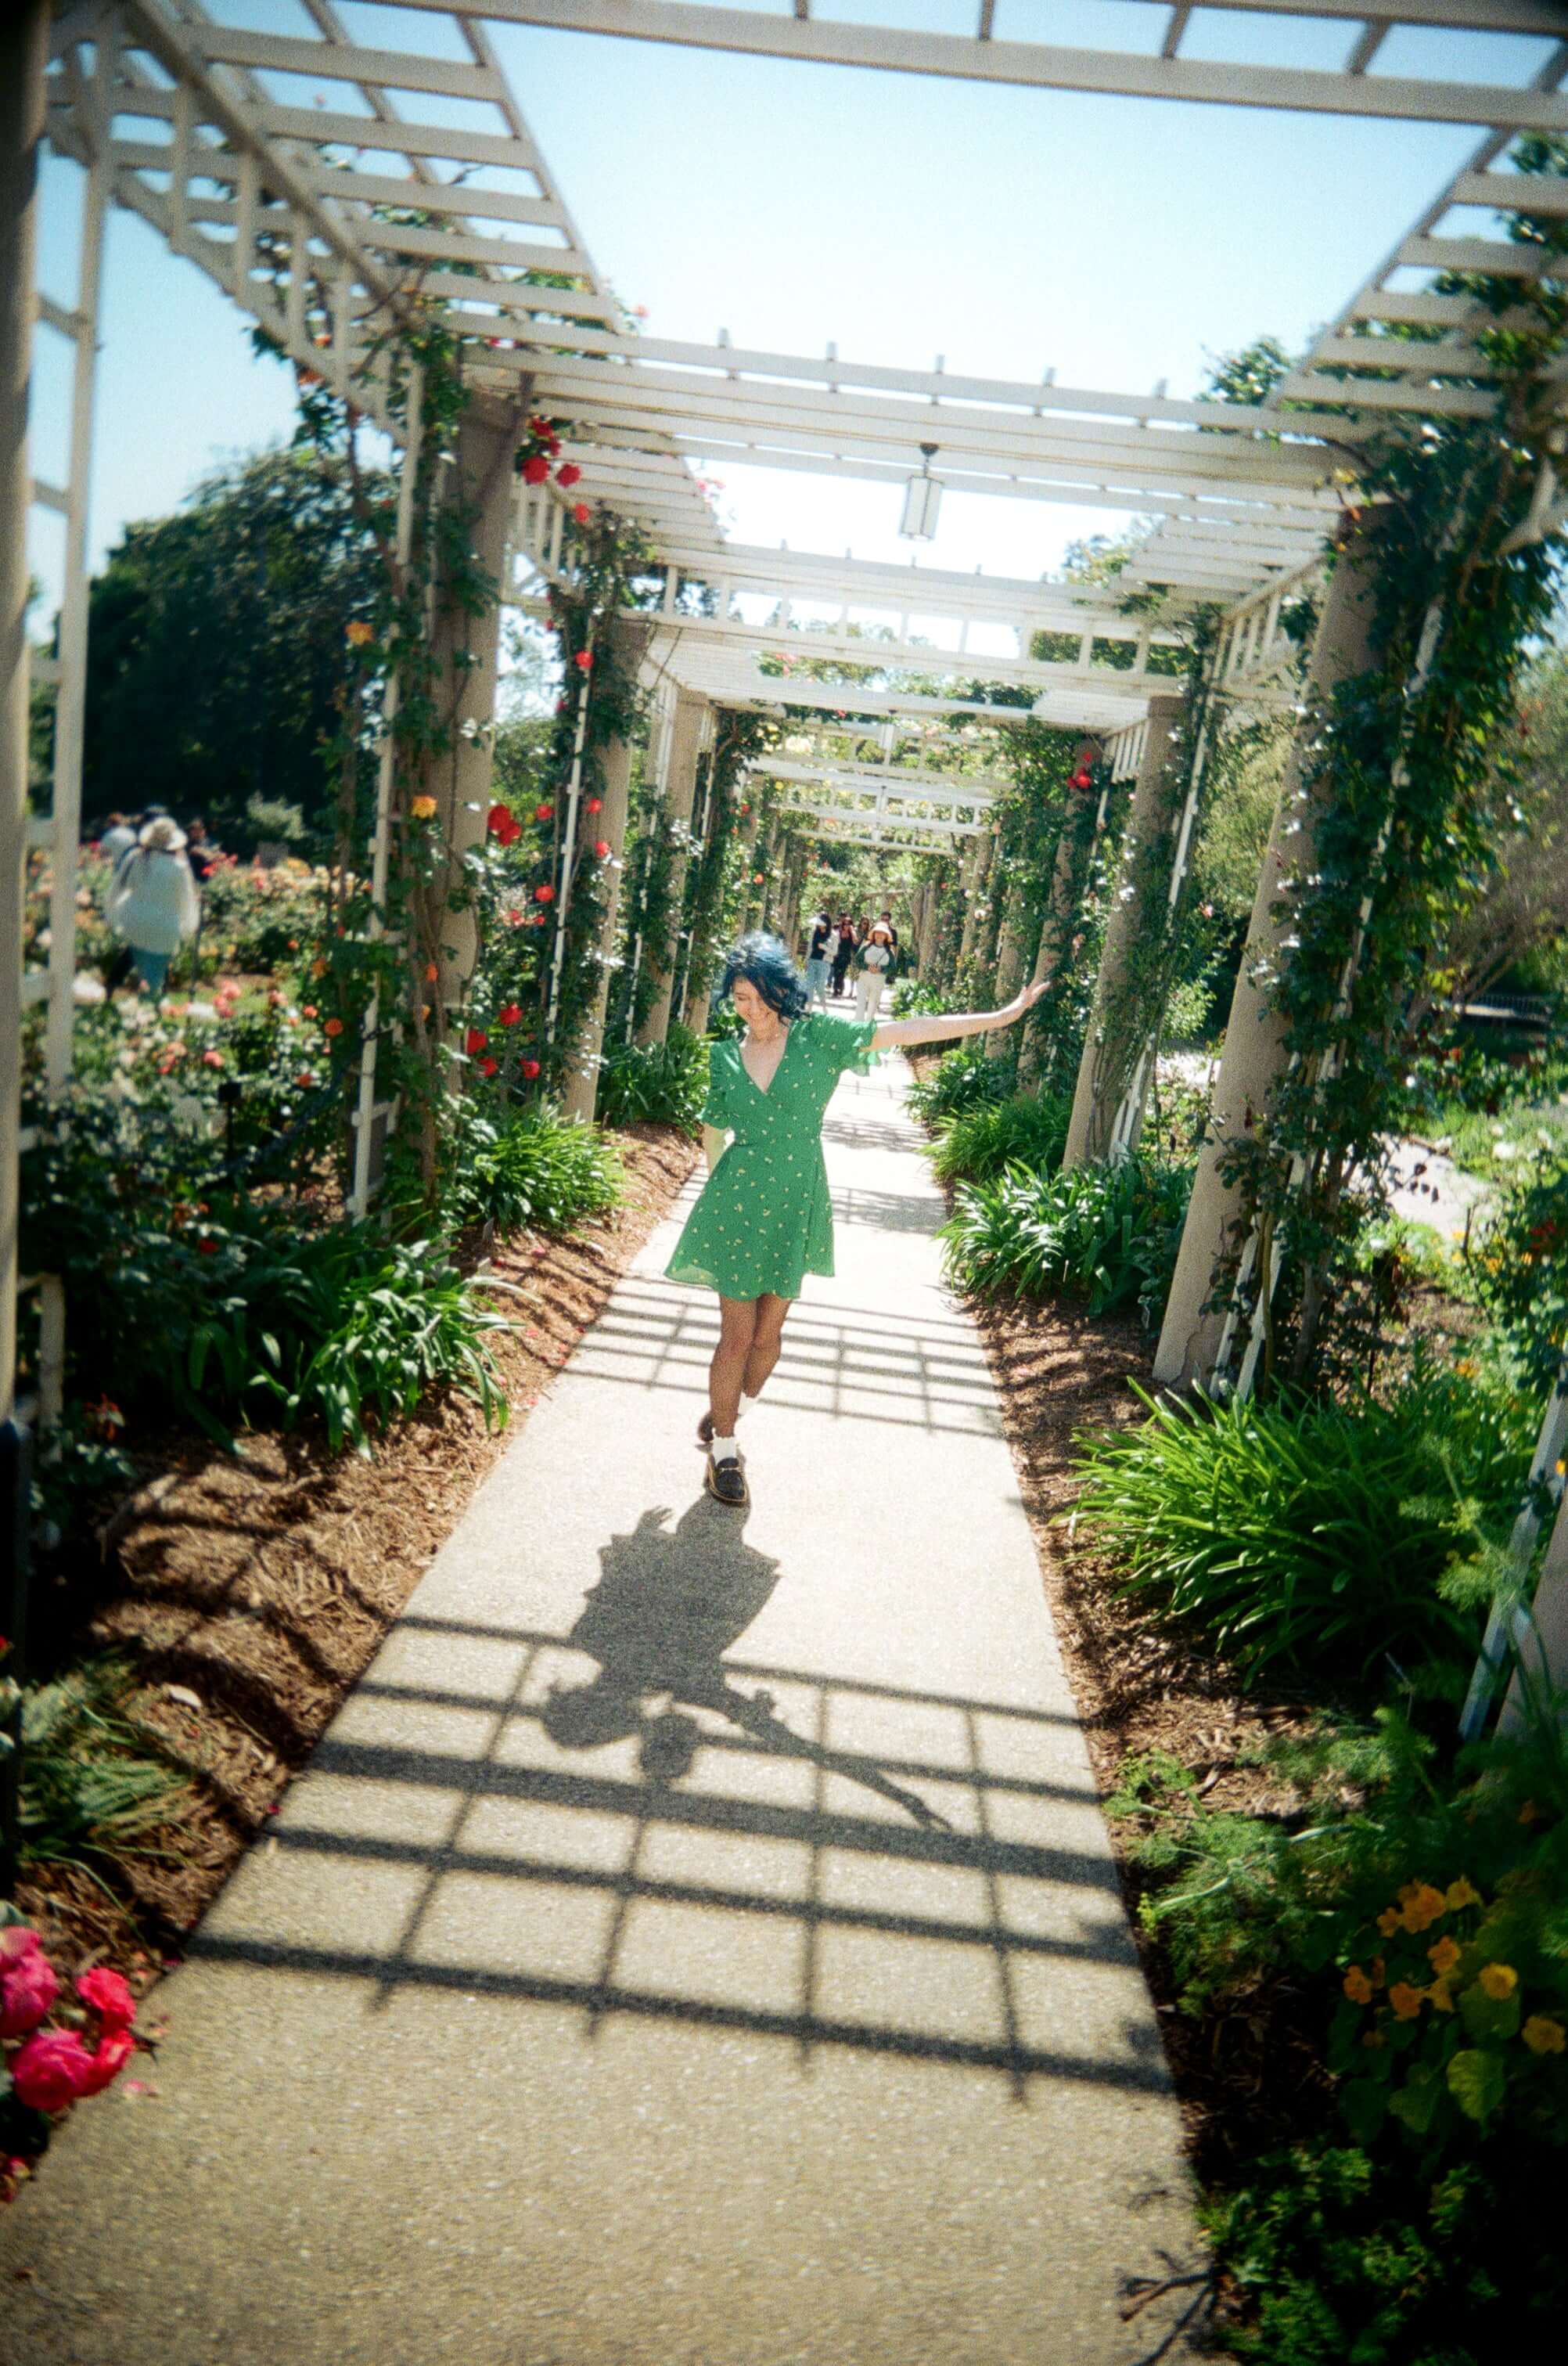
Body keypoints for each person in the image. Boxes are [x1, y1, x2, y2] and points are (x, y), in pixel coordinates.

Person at [664, 929, 1046, 1507]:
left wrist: (1002, 1016)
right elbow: (713, 1131)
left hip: (795, 1201)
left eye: (760, 993)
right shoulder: (725, 1057)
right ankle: (725, 1451)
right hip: (737, 1205)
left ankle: (728, 1412)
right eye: (740, 997)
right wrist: (717, 1199)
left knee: (768, 1340)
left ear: (781, 989)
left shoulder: (820, 1039)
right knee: (736, 1334)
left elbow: (909, 1030)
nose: (751, 1008)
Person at [104, 815, 201, 996]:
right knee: (155, 972)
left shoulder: (136, 858)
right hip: (164, 927)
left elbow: (117, 887)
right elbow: (186, 899)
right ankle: (150, 1008)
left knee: (134, 955)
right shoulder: (179, 866)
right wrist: (188, 926)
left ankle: (112, 988)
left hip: (135, 921)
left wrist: (112, 913)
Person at [854, 920, 897, 1021]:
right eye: (878, 932)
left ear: (886, 936)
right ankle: (857, 1027)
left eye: (883, 933)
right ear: (874, 934)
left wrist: (880, 969)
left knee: (873, 1006)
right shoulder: (866, 946)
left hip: (879, 981)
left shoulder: (889, 951)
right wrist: (867, 967)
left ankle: (868, 1029)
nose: (880, 935)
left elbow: (892, 968)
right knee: (861, 1003)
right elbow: (857, 960)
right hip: (864, 979)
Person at [803, 910, 835, 1008]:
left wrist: (824, 947)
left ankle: (824, 1008)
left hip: (824, 963)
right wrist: (806, 960)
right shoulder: (814, 932)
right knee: (809, 985)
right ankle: (809, 1008)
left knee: (820, 987)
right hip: (812, 961)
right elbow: (810, 947)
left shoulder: (833, 935)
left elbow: (834, 952)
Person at [830, 913, 856, 999]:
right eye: (845, 924)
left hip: (846, 955)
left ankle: (837, 989)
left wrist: (852, 930)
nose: (846, 926)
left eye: (848, 924)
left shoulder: (852, 933)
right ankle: (838, 988)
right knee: (836, 972)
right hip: (838, 954)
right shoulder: (839, 932)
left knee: (841, 972)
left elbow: (856, 941)